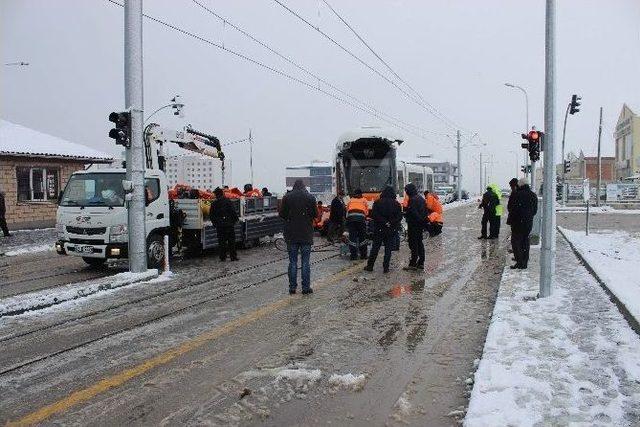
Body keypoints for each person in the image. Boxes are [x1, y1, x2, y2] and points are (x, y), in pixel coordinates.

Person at [279, 179, 317, 294]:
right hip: (306, 233)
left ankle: (292, 287)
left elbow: (282, 214)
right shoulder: (310, 197)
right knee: (305, 262)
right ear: (304, 186)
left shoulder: (287, 197)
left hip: (291, 234)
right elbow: (315, 214)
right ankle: (305, 288)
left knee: (293, 262)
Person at [364, 186, 402, 273]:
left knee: (375, 248)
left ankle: (370, 266)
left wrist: (384, 222)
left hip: (379, 229)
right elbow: (399, 217)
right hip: (391, 230)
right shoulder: (396, 204)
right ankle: (386, 267)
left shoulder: (377, 202)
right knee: (388, 249)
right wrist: (390, 223)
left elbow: (374, 215)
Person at [509, 178, 538, 269]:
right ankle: (525, 262)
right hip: (528, 223)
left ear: (520, 185)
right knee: (525, 241)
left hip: (517, 223)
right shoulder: (533, 195)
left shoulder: (517, 195)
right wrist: (528, 217)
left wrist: (514, 219)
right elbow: (535, 210)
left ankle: (519, 262)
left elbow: (511, 208)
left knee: (516, 242)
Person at [209, 187, 239, 261]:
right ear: (222, 194)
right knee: (231, 242)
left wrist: (215, 224)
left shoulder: (214, 203)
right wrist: (235, 221)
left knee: (221, 242)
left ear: (216, 195)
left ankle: (222, 257)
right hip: (229, 225)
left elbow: (211, 215)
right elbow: (233, 212)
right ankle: (233, 257)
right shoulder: (228, 201)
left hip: (220, 226)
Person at [403, 183, 427, 270]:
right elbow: (425, 211)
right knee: (419, 242)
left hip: (414, 224)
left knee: (413, 243)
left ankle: (413, 263)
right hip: (420, 225)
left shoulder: (412, 199)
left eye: (406, 190)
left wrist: (407, 215)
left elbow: (413, 212)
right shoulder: (421, 198)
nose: (406, 192)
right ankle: (421, 262)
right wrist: (422, 221)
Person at [346, 189, 369, 260]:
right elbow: (367, 212)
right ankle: (363, 255)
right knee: (362, 237)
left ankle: (353, 256)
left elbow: (347, 210)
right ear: (361, 194)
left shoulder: (350, 200)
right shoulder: (364, 200)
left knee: (352, 237)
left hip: (351, 220)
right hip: (360, 220)